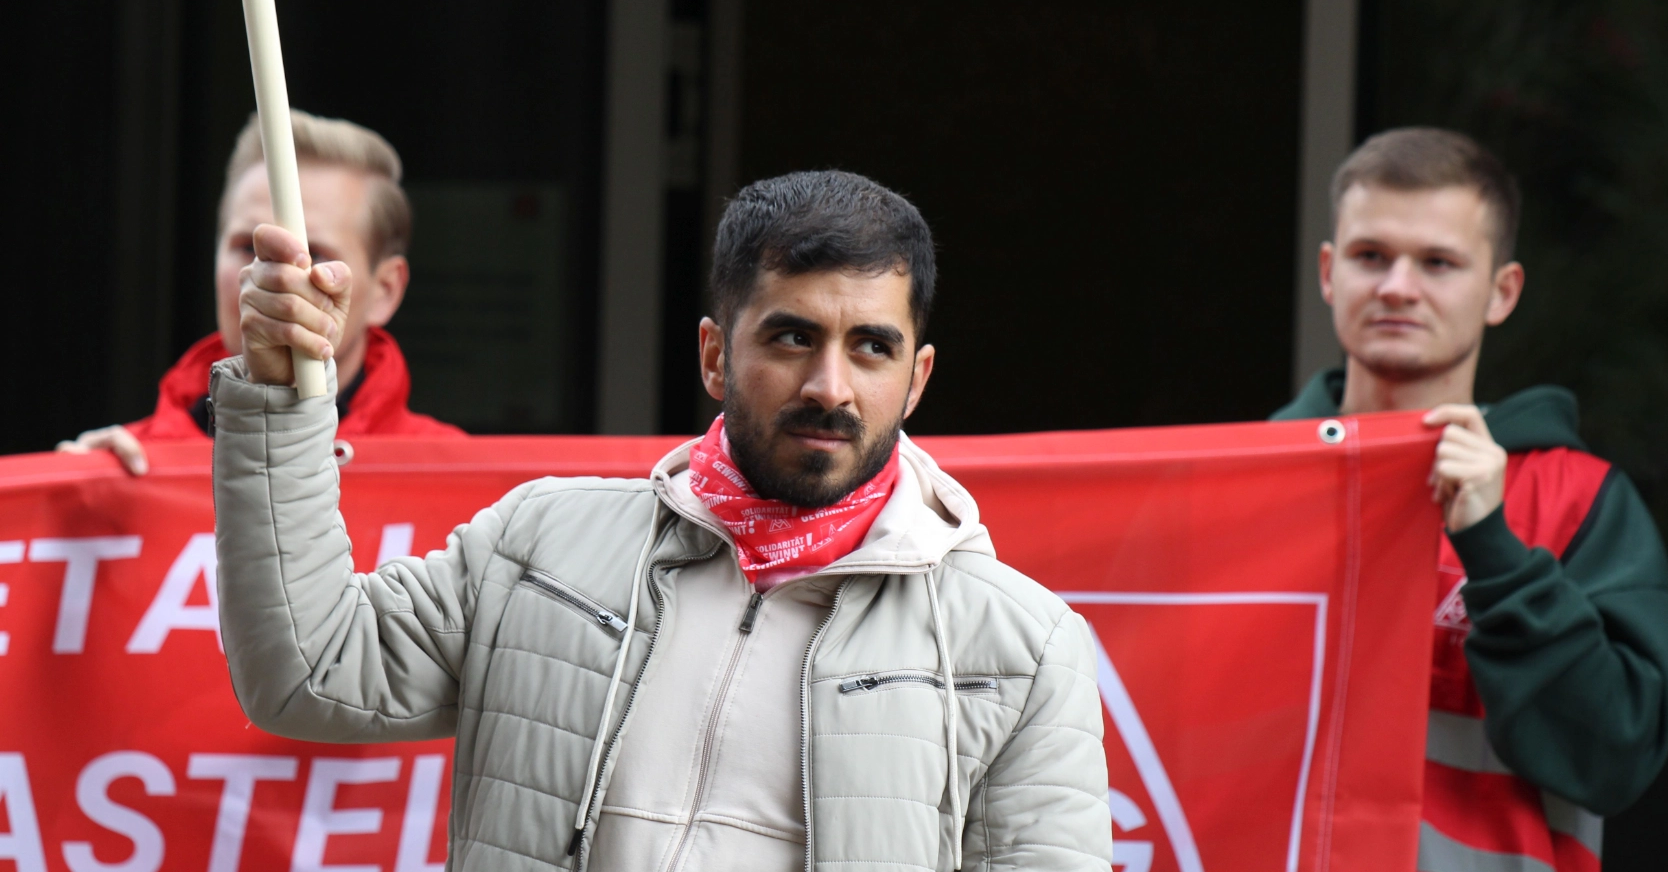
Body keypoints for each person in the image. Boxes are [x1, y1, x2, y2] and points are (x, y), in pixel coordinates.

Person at [208, 170, 1112, 871]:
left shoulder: (1022, 650)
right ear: (716, 355)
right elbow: (309, 669)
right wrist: (283, 396)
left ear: (915, 379)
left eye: (871, 347)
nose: (829, 386)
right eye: (792, 336)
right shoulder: (541, 542)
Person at [1275, 127, 1668, 872]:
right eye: (1371, 256)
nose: (1397, 285)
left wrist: (1495, 551)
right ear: (1328, 274)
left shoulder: (1580, 500)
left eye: (1437, 262)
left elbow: (1614, 758)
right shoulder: (1242, 484)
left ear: (1502, 291)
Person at [57, 109, 461, 473]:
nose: (269, 275)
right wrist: (68, 508)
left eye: (311, 252)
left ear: (385, 291)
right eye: (246, 248)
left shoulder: (458, 482)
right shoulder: (124, 465)